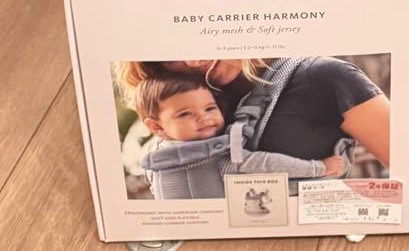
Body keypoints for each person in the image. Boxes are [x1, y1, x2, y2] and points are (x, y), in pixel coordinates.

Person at [118, 56, 391, 171]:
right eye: (171, 57)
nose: (194, 61)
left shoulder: (325, 77)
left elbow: (408, 170)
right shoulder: (175, 114)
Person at [133, 75, 345, 200]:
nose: (204, 118)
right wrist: (319, 168)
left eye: (210, 108)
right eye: (185, 114)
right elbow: (269, 163)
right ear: (156, 126)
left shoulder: (153, 160)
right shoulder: (220, 157)